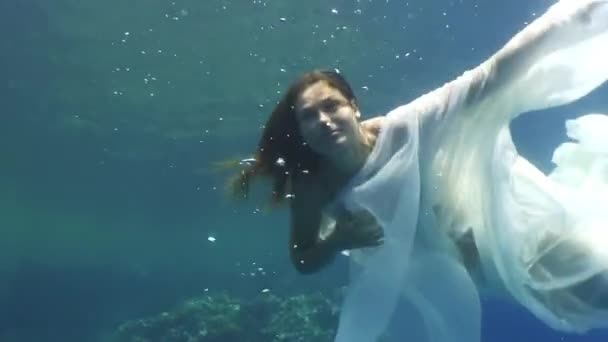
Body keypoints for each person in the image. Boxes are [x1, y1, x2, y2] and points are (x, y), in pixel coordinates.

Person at [230, 0, 608, 341]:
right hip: (441, 273)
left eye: (332, 107)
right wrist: (337, 241)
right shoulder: (312, 183)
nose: (324, 121)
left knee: (597, 283)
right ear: (299, 131)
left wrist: (574, 19)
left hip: (502, 225)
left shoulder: (403, 128)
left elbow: (485, 79)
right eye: (309, 117)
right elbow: (303, 258)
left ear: (354, 108)